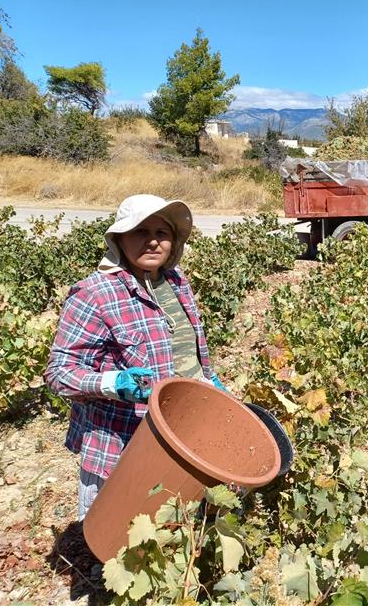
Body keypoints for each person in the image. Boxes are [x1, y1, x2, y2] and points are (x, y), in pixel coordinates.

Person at [44, 194, 227, 521]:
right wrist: (112, 382)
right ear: (119, 238)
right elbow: (59, 373)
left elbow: (188, 346)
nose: (153, 241)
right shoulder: (95, 294)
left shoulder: (176, 282)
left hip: (180, 433)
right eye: (141, 232)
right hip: (124, 443)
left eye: (162, 232)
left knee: (171, 530)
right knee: (118, 539)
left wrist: (208, 379)